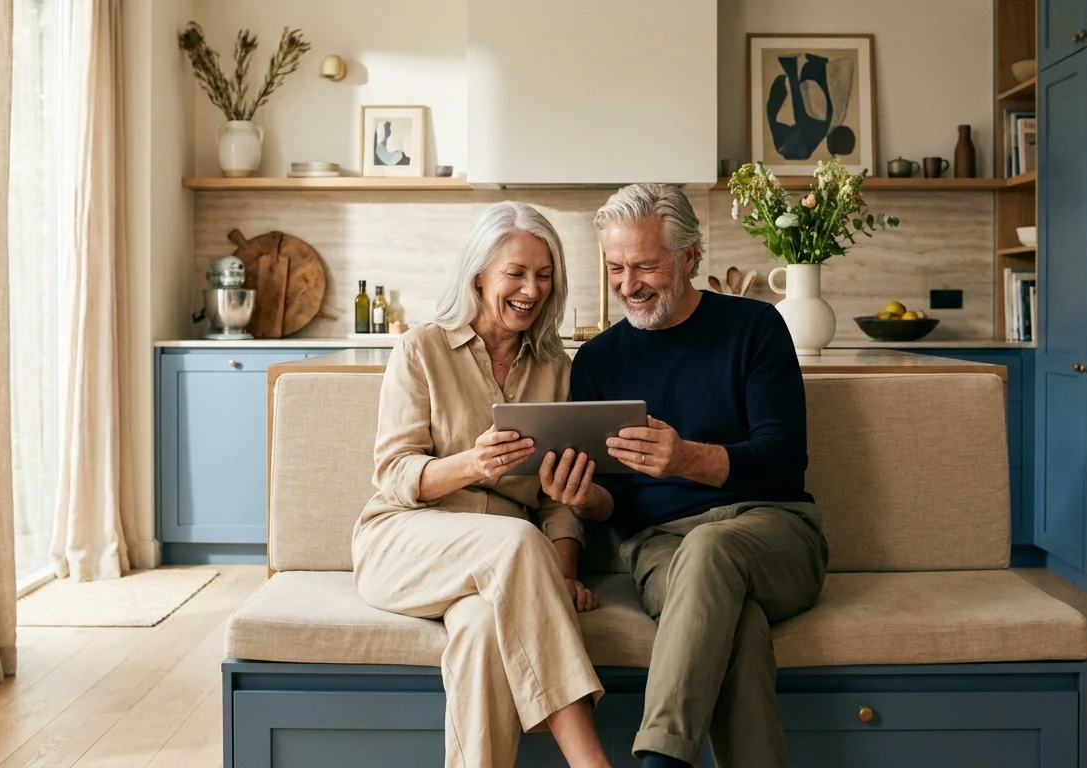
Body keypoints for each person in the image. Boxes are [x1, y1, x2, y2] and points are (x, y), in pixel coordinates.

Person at [550, 183, 829, 768]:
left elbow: (784, 458)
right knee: (741, 630)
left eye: (646, 266)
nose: (628, 284)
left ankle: (660, 760)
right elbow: (616, 505)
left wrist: (686, 459)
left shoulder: (755, 329)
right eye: (616, 267)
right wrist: (586, 497)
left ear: (690, 257)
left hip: (776, 530)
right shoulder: (598, 361)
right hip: (659, 547)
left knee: (711, 547)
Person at [352, 201, 612, 768]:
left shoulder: (555, 367)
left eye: (544, 276)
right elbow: (394, 474)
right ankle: (592, 761)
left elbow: (555, 501)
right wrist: (473, 465)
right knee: (520, 544)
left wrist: (562, 574)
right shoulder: (421, 348)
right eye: (515, 274)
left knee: (480, 634)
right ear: (478, 274)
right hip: (405, 541)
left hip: (500, 569)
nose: (531, 289)